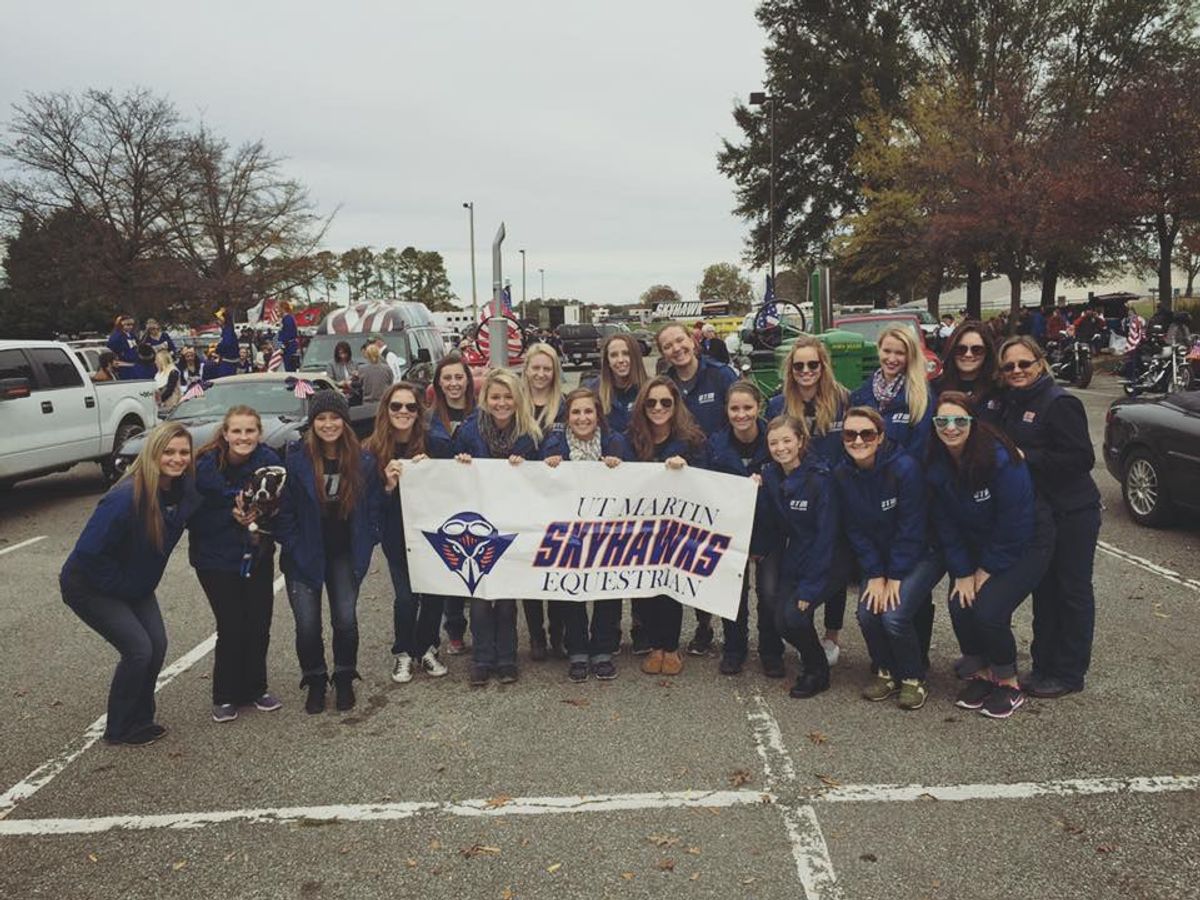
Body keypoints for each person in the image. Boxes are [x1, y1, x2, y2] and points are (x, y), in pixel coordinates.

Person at [59, 423, 200, 745]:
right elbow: (89, 554)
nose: (177, 459)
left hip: (133, 584)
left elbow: (211, 506)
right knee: (139, 649)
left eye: (183, 452)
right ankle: (119, 728)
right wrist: (124, 587)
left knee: (158, 645)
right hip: (89, 585)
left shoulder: (184, 490)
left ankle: (141, 717)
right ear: (153, 453)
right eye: (168, 452)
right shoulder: (125, 497)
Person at [927, 392, 1054, 719]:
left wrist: (987, 569)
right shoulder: (937, 464)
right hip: (978, 547)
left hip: (1026, 543)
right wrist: (963, 571)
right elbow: (946, 526)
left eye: (959, 420)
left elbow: (1016, 521)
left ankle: (1008, 683)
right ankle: (981, 672)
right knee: (959, 601)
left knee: (989, 609)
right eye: (943, 421)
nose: (951, 428)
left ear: (973, 422)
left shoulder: (999, 458)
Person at [996, 337, 1100, 698]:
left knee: (1071, 591)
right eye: (1009, 367)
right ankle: (1043, 665)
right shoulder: (1011, 402)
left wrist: (1028, 457)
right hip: (1039, 514)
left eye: (1024, 364)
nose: (1017, 371)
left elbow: (1081, 458)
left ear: (1040, 363)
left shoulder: (1060, 402)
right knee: (1045, 590)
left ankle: (1069, 672)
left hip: (1073, 512)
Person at [276, 391, 382, 714]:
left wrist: (370, 536)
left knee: (345, 620)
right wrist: (295, 546)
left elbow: (374, 507)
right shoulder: (295, 459)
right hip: (304, 552)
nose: (328, 424)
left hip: (344, 553)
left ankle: (345, 676)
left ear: (345, 422)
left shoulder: (363, 461)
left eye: (334, 417)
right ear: (312, 424)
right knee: (307, 625)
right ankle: (316, 679)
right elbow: (284, 513)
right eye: (321, 418)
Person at [835, 406, 941, 711]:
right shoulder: (843, 474)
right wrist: (875, 573)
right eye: (850, 434)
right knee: (867, 613)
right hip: (880, 560)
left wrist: (894, 576)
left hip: (921, 553)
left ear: (880, 437)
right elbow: (855, 530)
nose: (858, 440)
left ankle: (913, 677)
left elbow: (912, 528)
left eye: (866, 433)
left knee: (894, 616)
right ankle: (885, 670)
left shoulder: (905, 468)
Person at [188, 406, 283, 723]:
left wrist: (262, 512)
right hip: (216, 557)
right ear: (225, 434)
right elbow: (195, 517)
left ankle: (255, 687)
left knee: (259, 622)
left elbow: (280, 505)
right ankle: (225, 694)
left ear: (259, 433)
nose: (244, 437)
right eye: (237, 431)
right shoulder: (205, 467)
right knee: (231, 625)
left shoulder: (270, 462)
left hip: (256, 554)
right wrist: (231, 513)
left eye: (250, 431)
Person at [452, 369, 542, 686]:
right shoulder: (468, 432)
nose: (501, 403)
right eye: (495, 397)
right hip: (476, 526)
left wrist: (536, 466)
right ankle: (482, 658)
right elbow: (446, 475)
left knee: (505, 599)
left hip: (513, 525)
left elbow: (547, 479)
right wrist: (459, 462)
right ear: (485, 400)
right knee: (479, 598)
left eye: (507, 397)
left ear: (517, 400)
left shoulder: (530, 436)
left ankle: (506, 658)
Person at [766, 336, 853, 664]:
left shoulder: (843, 398)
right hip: (799, 493)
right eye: (798, 365)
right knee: (803, 555)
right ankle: (805, 630)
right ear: (790, 369)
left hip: (837, 491)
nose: (806, 371)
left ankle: (832, 636)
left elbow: (853, 443)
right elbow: (773, 447)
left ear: (823, 366)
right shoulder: (778, 404)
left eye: (812, 365)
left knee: (834, 560)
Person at [656, 322, 737, 655]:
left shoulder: (721, 376)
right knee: (686, 555)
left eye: (680, 340)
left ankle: (726, 633)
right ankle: (702, 625)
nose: (676, 348)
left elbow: (740, 417)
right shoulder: (666, 384)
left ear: (693, 340)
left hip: (716, 477)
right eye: (668, 346)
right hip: (678, 481)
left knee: (718, 556)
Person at [541, 387, 632, 681]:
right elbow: (539, 486)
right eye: (576, 412)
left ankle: (603, 648)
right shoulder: (553, 444)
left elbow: (634, 484)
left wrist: (619, 468)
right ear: (568, 417)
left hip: (607, 530)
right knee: (571, 588)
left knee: (607, 586)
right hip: (569, 531)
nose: (582, 418)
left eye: (588, 412)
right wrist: (548, 467)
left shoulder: (615, 442)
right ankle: (577, 648)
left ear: (598, 415)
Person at [365, 383, 448, 685]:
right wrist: (388, 487)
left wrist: (436, 470)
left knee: (434, 595)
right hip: (396, 535)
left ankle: (426, 647)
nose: (403, 412)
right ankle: (403, 651)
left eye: (410, 407)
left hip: (432, 534)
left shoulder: (434, 444)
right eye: (396, 406)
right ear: (386, 409)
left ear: (418, 411)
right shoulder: (372, 450)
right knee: (405, 598)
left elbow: (457, 481)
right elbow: (368, 503)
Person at [700, 381, 783, 676]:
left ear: (758, 406)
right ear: (726, 410)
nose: (741, 414)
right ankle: (734, 649)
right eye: (734, 408)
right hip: (731, 531)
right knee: (732, 595)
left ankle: (771, 651)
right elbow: (703, 485)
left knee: (770, 594)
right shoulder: (715, 444)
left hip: (769, 529)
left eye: (747, 407)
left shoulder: (774, 439)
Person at [625, 376, 705, 676]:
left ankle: (671, 647)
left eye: (665, 402)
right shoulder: (631, 439)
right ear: (643, 406)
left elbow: (707, 478)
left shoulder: (691, 439)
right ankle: (655, 644)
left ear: (675, 405)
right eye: (652, 402)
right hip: (641, 529)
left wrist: (686, 470)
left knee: (669, 588)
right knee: (645, 589)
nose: (658, 408)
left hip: (677, 529)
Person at [756, 415, 839, 698]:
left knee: (795, 616)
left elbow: (826, 538)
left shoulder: (820, 479)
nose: (780, 448)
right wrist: (754, 491)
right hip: (796, 556)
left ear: (801, 441)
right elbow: (769, 522)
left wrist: (810, 587)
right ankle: (814, 658)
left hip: (827, 561)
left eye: (787, 440)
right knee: (780, 620)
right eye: (774, 443)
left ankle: (817, 671)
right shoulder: (770, 475)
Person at [426, 355, 476, 655]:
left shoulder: (481, 414)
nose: (454, 383)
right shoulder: (428, 419)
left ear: (468, 380)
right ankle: (454, 630)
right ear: (439, 383)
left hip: (477, 500)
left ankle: (484, 629)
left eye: (459, 377)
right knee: (452, 568)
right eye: (447, 378)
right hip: (442, 503)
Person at [520, 342, 566, 658]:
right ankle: (536, 635)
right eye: (535, 367)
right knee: (529, 568)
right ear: (526, 370)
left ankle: (558, 634)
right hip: (523, 497)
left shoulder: (563, 405)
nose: (540, 374)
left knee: (558, 566)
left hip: (558, 497)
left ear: (554, 372)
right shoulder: (514, 402)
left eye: (546, 368)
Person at [849, 326, 933, 460]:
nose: (892, 359)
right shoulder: (859, 397)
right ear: (879, 351)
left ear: (909, 356)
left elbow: (920, 448)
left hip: (903, 476)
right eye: (887, 351)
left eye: (900, 353)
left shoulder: (921, 398)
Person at [932, 321, 1001, 421]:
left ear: (987, 352)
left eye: (977, 349)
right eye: (961, 349)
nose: (968, 354)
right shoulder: (934, 389)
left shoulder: (999, 389)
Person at [589, 332, 648, 434]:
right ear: (607, 360)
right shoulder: (593, 392)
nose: (620, 360)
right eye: (614, 355)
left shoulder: (651, 389)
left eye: (626, 353)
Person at [106, 315, 141, 379]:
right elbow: (113, 351)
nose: (130, 327)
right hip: (123, 367)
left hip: (135, 365)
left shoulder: (132, 335)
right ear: (121, 324)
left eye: (132, 324)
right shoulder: (116, 337)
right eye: (128, 325)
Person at [211, 310, 241, 378]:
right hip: (226, 362)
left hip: (229, 363)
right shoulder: (225, 331)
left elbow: (226, 344)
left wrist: (217, 349)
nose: (217, 321)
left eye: (218, 319)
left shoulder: (228, 330)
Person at [278, 300, 300, 372]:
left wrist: (282, 347)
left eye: (279, 308)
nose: (278, 310)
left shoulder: (288, 319)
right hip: (287, 346)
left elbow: (287, 334)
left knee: (290, 368)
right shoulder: (285, 319)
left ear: (282, 308)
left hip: (289, 347)